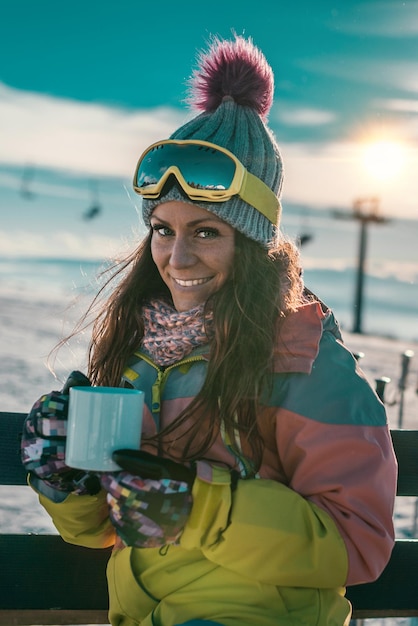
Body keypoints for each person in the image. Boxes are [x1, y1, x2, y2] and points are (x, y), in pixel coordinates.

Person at [21, 35, 397, 626]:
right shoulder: (135, 355)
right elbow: (109, 530)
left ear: (251, 244)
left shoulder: (302, 359)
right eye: (164, 230)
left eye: (205, 232)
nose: (177, 257)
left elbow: (359, 540)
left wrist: (198, 507)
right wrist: (68, 483)